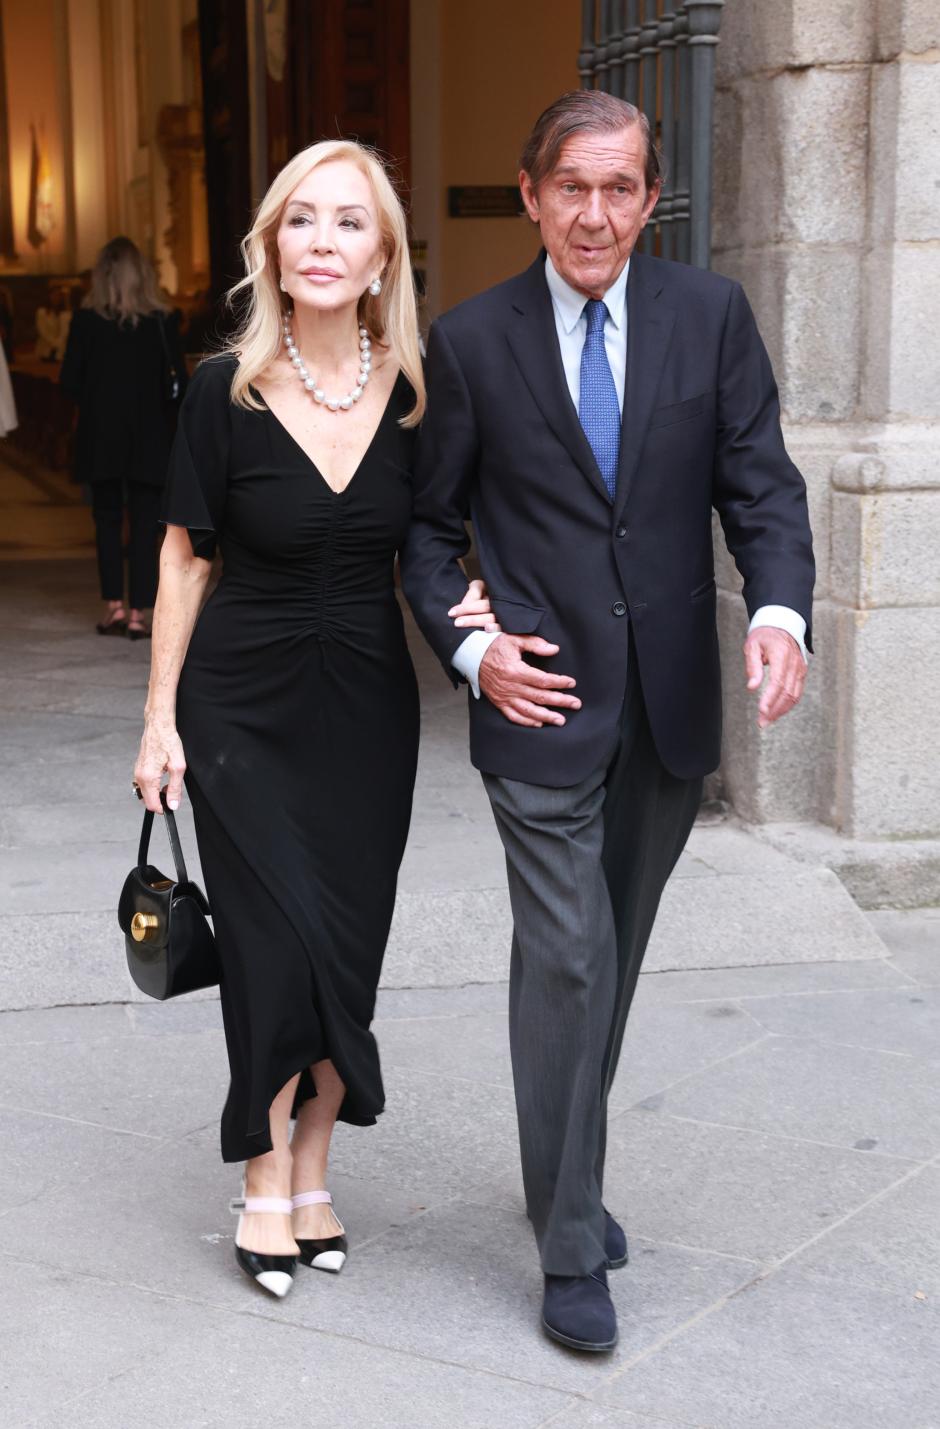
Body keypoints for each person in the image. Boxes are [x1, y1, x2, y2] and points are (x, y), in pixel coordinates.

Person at [400, 91, 815, 1353]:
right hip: (537, 701)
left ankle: (558, 1173)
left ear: (649, 199)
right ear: (532, 195)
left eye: (618, 188)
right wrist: (473, 647)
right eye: (571, 188)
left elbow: (761, 484)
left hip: (668, 706)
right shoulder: (471, 342)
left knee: (607, 960)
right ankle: (570, 1243)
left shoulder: (710, 316)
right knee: (570, 954)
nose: (594, 214)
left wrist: (780, 612)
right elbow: (424, 531)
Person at [132, 139, 495, 1300]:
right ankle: (261, 1173)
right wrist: (158, 721)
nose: (324, 241)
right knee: (270, 948)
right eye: (302, 219)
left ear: (382, 253)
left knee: (346, 946)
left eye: (349, 221)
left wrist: (483, 615)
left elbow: (439, 544)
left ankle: (314, 1167)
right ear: (273, 248)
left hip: (367, 712)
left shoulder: (419, 394)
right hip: (239, 707)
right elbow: (184, 559)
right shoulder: (222, 391)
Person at [60, 237, 187, 638]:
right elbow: (179, 385)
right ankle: (138, 614)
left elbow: (69, 382)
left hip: (101, 436)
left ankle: (113, 605)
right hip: (150, 436)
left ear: (101, 276)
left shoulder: (85, 321)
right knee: (148, 526)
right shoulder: (163, 320)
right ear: (143, 274)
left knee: (106, 520)